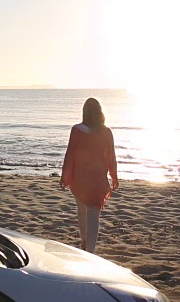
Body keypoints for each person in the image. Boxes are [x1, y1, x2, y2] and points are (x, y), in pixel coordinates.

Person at [60, 98, 118, 254]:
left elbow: (70, 155)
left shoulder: (77, 130)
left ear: (84, 112)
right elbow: (111, 156)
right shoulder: (106, 132)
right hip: (98, 180)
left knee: (81, 210)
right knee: (94, 216)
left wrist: (65, 177)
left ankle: (84, 242)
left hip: (79, 179)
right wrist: (114, 176)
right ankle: (90, 251)